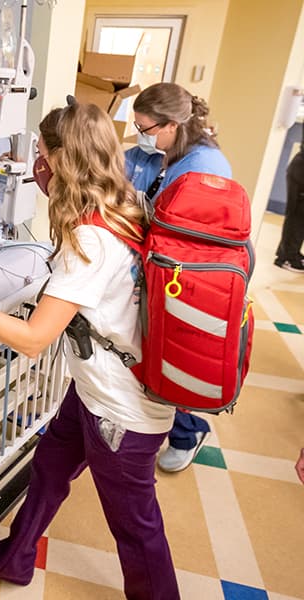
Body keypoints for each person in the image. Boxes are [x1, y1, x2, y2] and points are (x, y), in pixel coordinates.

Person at [0, 101, 179, 599]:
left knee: (137, 532)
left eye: (40, 152)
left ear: (63, 158)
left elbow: (34, 340)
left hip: (122, 412)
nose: (35, 163)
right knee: (51, 466)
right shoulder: (129, 204)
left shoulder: (92, 242)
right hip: (98, 390)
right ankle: (17, 556)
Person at [126, 82, 232, 473]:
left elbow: (187, 236)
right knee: (149, 354)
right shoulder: (153, 154)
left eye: (145, 128)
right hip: (154, 268)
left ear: (171, 125)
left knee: (172, 357)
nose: (140, 136)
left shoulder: (205, 168)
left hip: (192, 277)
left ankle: (188, 430)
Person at [274, 125, 304, 273]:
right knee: (297, 215)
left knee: (299, 216)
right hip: (301, 171)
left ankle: (290, 253)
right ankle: (286, 257)